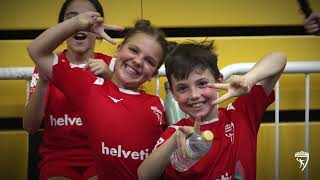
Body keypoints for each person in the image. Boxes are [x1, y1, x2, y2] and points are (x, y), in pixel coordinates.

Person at [27, 10, 168, 179]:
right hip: (64, 164)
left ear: (153, 74)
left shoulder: (158, 105)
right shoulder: (89, 87)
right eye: (133, 50)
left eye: (149, 61)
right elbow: (36, 50)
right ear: (119, 49)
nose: (138, 61)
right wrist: (77, 23)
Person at [138, 41, 287, 180]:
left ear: (219, 81)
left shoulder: (241, 114)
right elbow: (144, 175)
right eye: (183, 88)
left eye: (202, 83)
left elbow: (279, 59)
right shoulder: (176, 132)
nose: (195, 95)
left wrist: (248, 79)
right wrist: (174, 142)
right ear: (173, 93)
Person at [23, 0, 116, 179]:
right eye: (73, 20)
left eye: (87, 19)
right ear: (62, 29)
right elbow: (30, 126)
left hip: (102, 157)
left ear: (98, 29)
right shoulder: (48, 64)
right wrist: (43, 80)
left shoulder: (111, 66)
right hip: (57, 160)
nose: (80, 25)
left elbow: (126, 118)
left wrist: (110, 79)